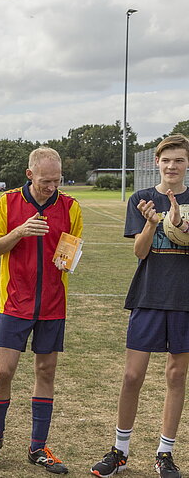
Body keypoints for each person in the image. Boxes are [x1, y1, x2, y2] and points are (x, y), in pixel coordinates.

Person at [0, 147, 82, 474]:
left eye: (57, 180)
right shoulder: (7, 202)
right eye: (46, 180)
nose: (52, 187)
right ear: (29, 174)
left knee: (45, 372)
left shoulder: (71, 207)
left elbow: (69, 255)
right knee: (4, 371)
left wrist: (67, 258)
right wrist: (20, 231)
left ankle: (38, 447)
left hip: (52, 303)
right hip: (15, 301)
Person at [90, 134, 189, 478]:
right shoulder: (142, 198)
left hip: (184, 299)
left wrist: (181, 224)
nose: (172, 166)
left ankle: (165, 453)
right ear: (156, 164)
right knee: (132, 376)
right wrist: (151, 224)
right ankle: (120, 451)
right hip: (148, 296)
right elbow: (140, 252)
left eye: (178, 160)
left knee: (176, 375)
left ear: (187, 164)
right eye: (166, 160)